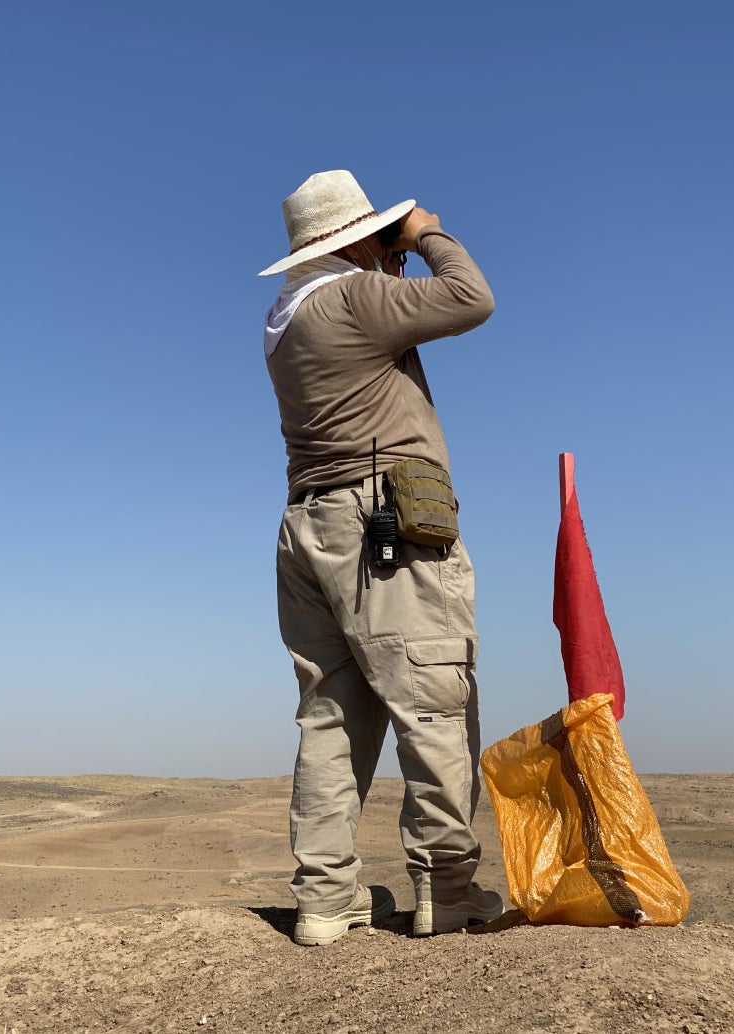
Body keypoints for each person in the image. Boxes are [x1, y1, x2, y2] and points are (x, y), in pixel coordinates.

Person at [259, 170, 503, 946]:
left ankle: (326, 900)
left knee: (332, 716)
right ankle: (449, 888)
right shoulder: (357, 299)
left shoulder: (285, 317)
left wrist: (383, 254)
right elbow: (472, 299)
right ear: (359, 238)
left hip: (309, 525)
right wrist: (425, 233)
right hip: (384, 527)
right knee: (433, 699)